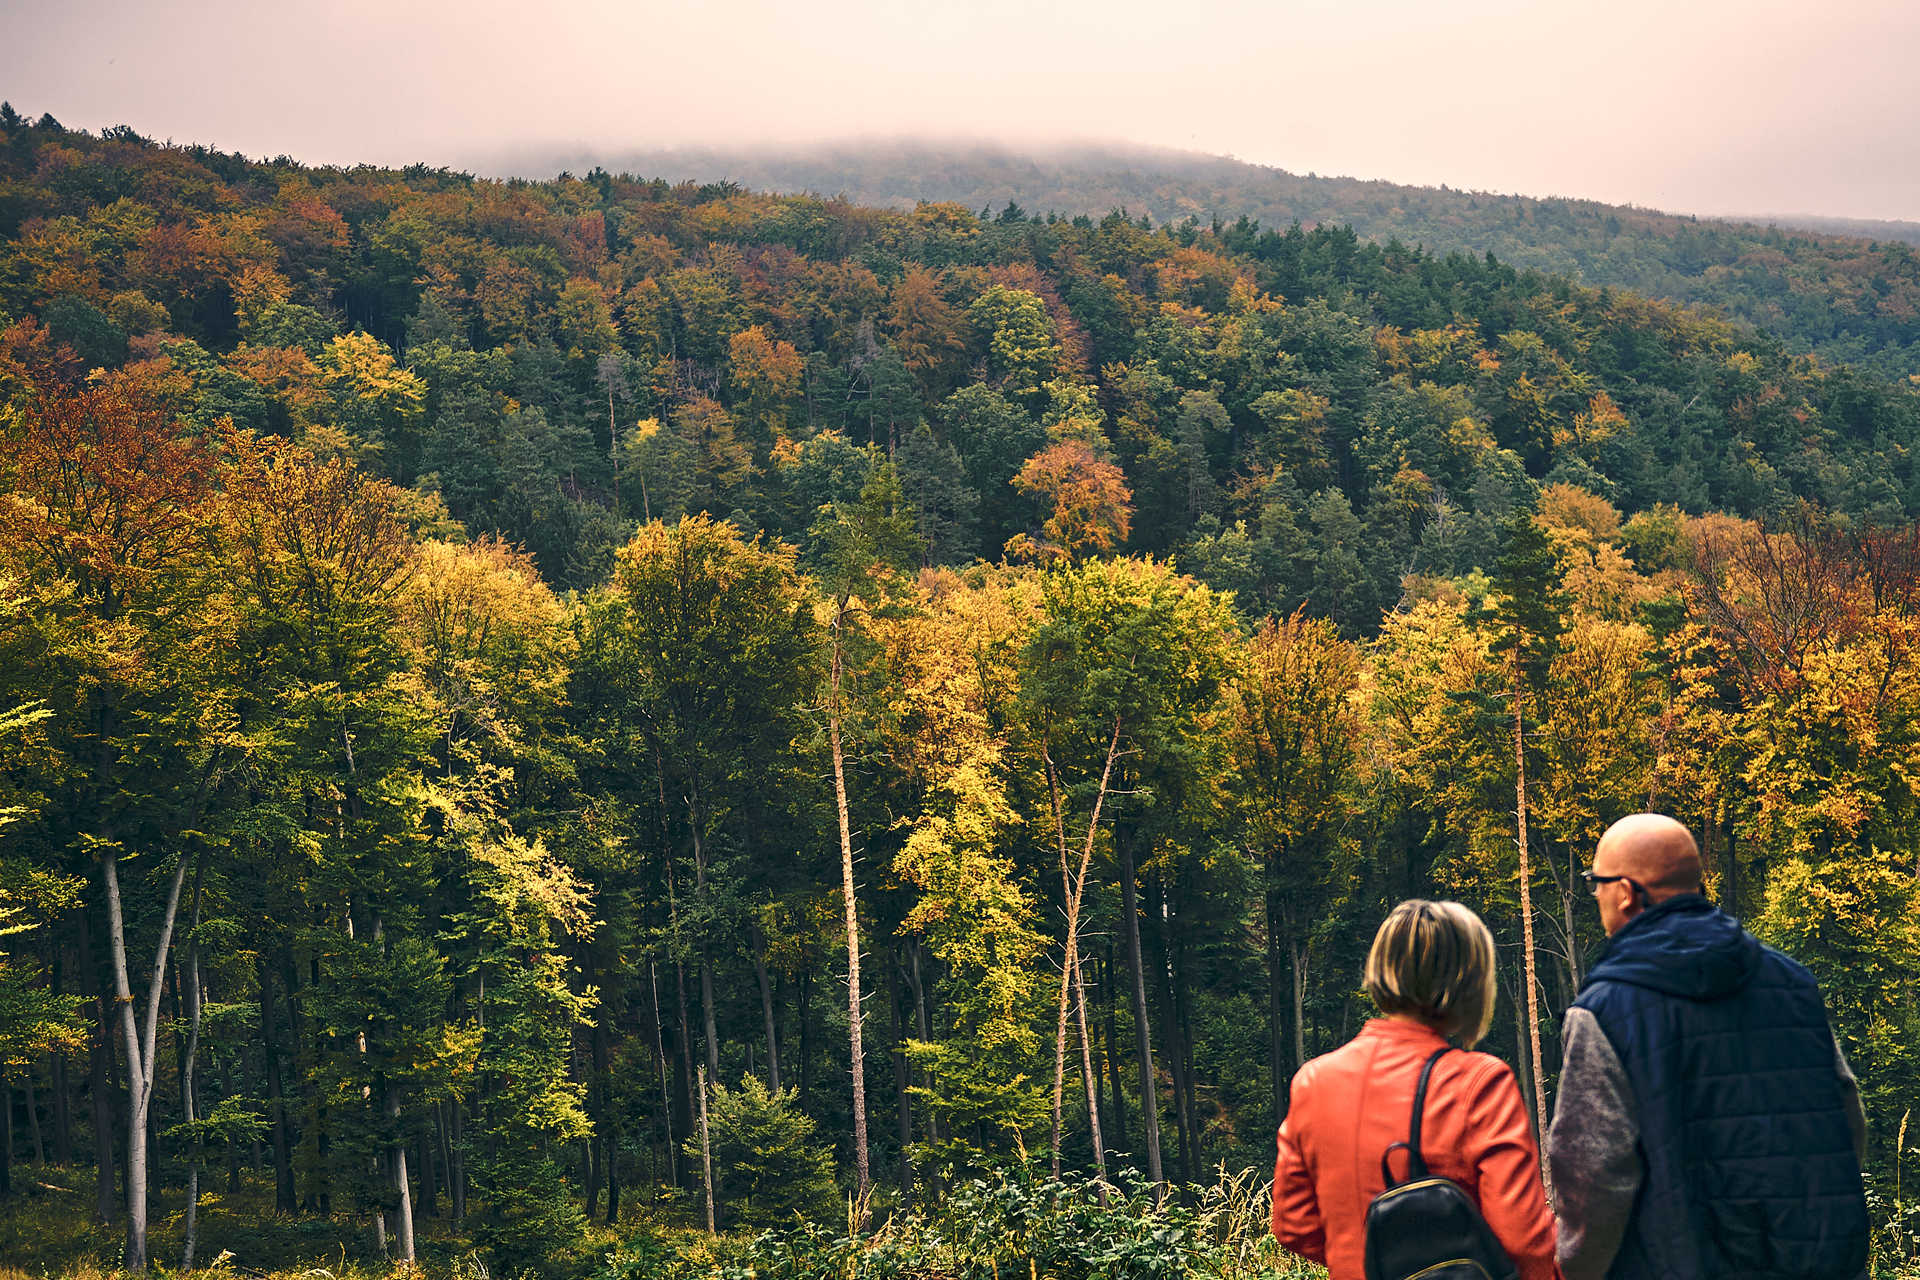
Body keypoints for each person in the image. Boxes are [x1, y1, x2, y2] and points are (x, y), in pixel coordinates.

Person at [1549, 813, 1869, 1280]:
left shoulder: (1604, 1011)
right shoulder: (1793, 984)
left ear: (1624, 892)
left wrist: (1578, 1269)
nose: (1595, 894)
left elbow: (1593, 1177)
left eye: (1596, 883)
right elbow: (1846, 1117)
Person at [1273, 899, 1559, 1280]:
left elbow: (1294, 1223)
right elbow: (1524, 1242)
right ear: (1468, 983)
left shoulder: (1313, 1081)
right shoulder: (1479, 1083)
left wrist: (1367, 1260)